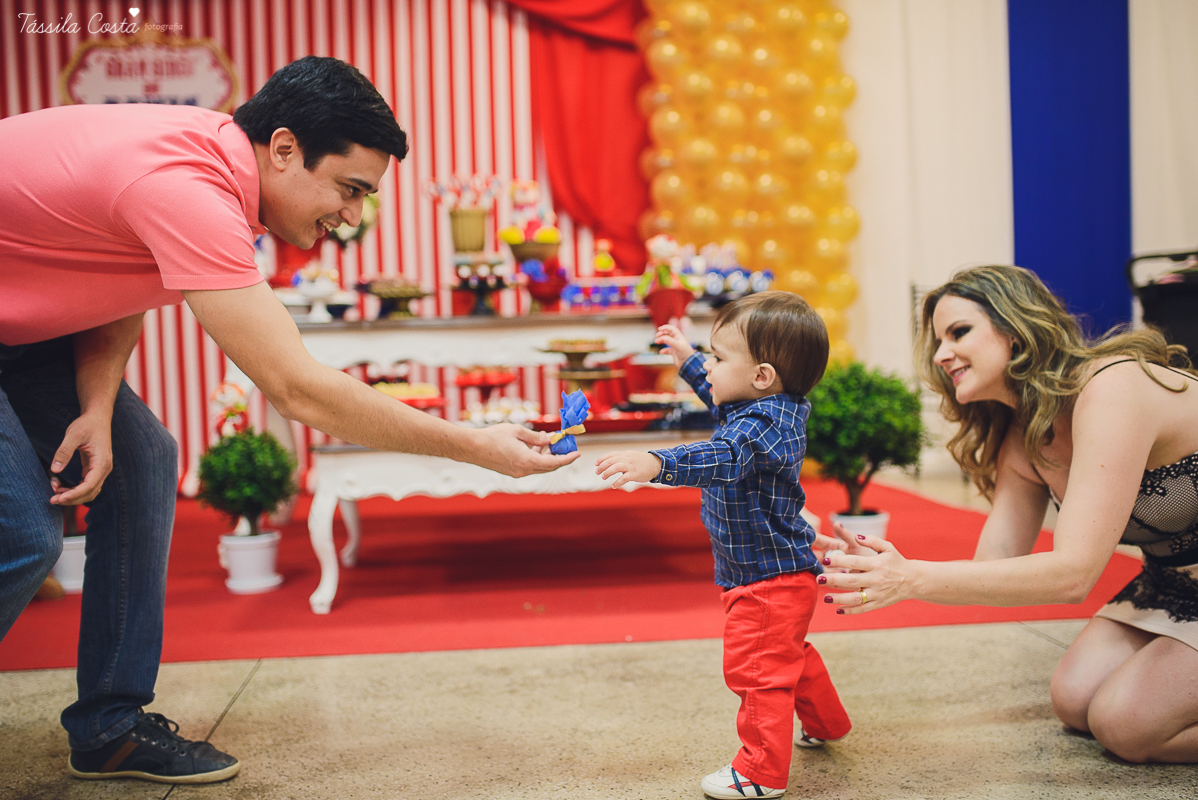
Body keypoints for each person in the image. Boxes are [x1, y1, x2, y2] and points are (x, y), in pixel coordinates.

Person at [0, 55, 576, 785]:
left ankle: (110, 728)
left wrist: (97, 405)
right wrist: (475, 445)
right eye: (349, 189)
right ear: (281, 148)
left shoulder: (205, 164)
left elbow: (116, 277)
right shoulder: (188, 188)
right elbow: (298, 390)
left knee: (144, 458)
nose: (352, 217)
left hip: (23, 325)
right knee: (21, 531)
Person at [819, 264, 1198, 764]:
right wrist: (880, 563)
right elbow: (993, 566)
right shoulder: (1023, 436)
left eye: (959, 332)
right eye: (937, 340)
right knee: (1075, 700)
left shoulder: (1111, 389)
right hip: (1170, 583)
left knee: (1123, 725)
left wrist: (911, 579)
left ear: (1016, 329)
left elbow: (1073, 576)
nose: (941, 354)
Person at [596, 292, 852, 799]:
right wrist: (689, 358)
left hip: (765, 578)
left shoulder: (760, 428)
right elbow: (721, 391)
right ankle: (827, 723)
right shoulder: (759, 404)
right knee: (786, 655)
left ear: (761, 377)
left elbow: (723, 455)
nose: (709, 369)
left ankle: (760, 771)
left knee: (756, 671)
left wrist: (658, 463)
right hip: (775, 569)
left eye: (717, 358)